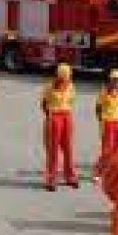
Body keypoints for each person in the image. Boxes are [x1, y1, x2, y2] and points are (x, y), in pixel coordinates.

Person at [41, 63, 78, 191]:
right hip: (54, 117)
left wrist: (65, 113)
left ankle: (70, 177)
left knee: (68, 148)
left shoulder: (71, 87)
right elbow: (44, 104)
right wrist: (50, 117)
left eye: (68, 77)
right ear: (58, 76)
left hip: (67, 116)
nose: (66, 79)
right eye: (64, 77)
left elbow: (71, 101)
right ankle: (51, 179)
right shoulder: (49, 87)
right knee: (53, 150)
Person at [93, 69, 118, 183]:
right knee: (107, 150)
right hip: (107, 122)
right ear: (110, 80)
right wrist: (101, 121)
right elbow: (98, 108)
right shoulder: (103, 93)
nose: (116, 82)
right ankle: (98, 172)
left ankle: (112, 172)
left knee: (116, 149)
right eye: (114, 80)